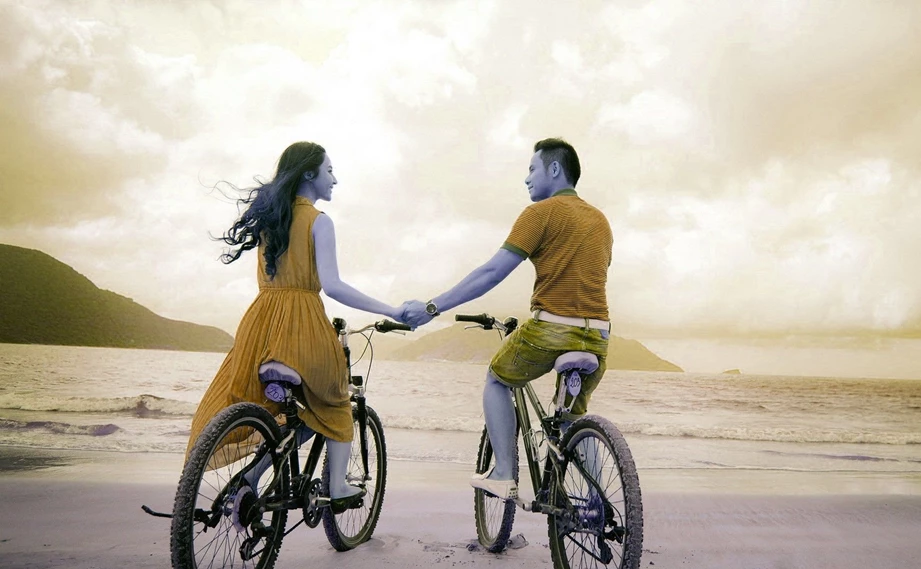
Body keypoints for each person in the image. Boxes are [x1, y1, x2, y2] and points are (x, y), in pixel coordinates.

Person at [187, 141, 404, 513]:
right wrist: (392, 309)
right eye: (329, 170)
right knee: (335, 400)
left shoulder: (272, 219)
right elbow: (333, 286)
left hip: (260, 326)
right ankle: (337, 486)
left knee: (284, 414)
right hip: (302, 324)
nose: (335, 179)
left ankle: (252, 478)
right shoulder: (320, 221)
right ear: (309, 173)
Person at [402, 138, 612, 500]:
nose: (526, 178)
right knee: (572, 420)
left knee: (497, 379)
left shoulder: (540, 214)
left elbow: (491, 274)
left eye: (532, 169)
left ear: (555, 169)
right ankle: (598, 501)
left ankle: (502, 474)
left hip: (550, 331)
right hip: (598, 337)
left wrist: (433, 307)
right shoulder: (601, 221)